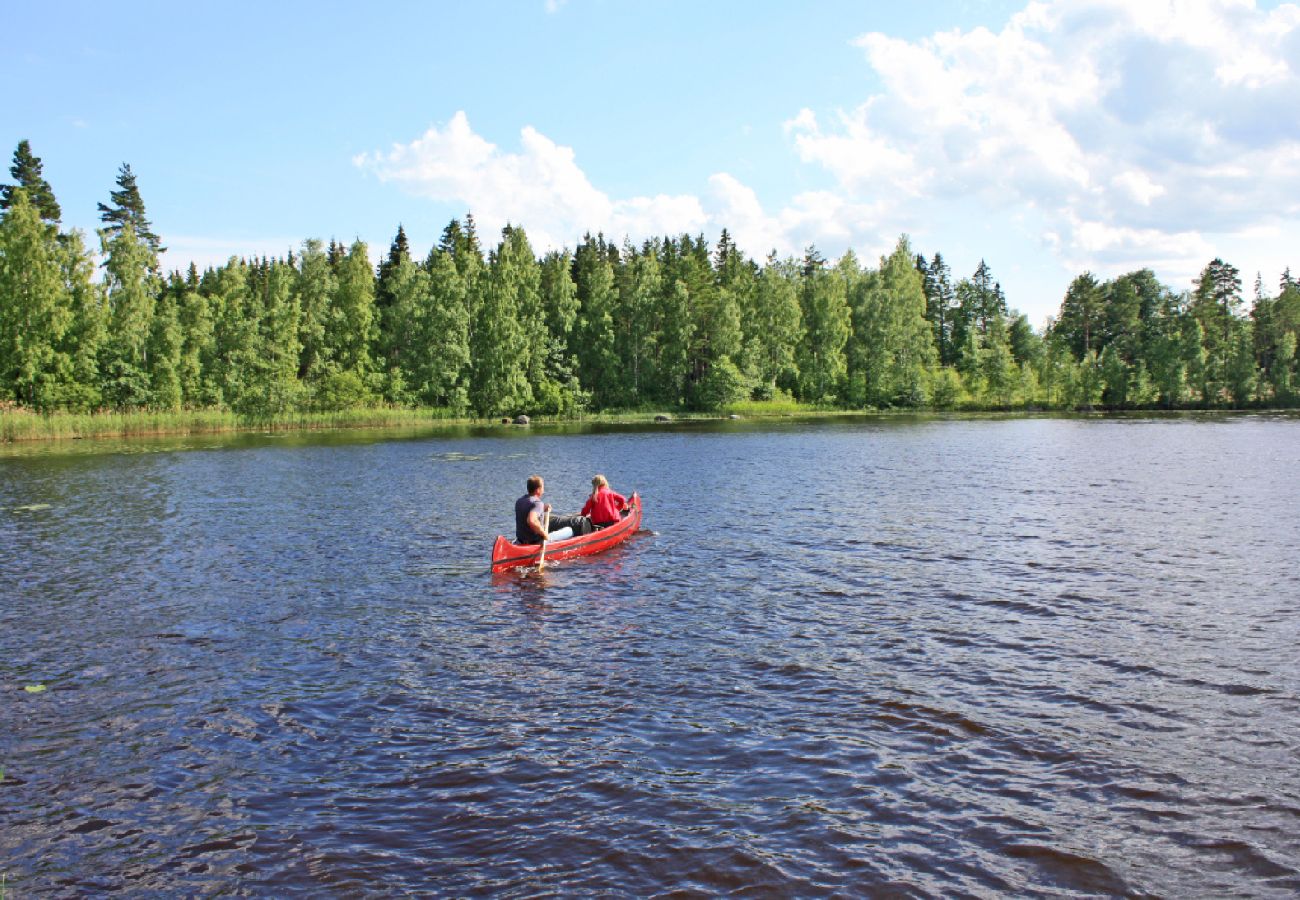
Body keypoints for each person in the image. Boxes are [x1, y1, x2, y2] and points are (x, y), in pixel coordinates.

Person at [514, 475, 593, 545]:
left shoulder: (519, 501)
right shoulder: (538, 503)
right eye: (542, 487)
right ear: (538, 490)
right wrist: (544, 534)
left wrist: (543, 508)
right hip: (536, 542)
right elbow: (531, 521)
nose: (543, 490)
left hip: (521, 540)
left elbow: (527, 510)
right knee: (569, 530)